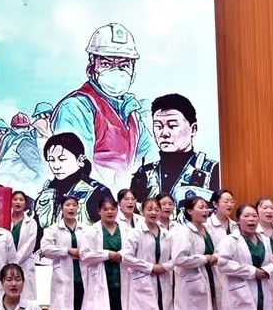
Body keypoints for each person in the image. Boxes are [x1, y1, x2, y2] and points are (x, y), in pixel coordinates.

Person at [50, 22, 157, 187]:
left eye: (124, 65)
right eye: (106, 64)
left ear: (132, 73)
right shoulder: (76, 107)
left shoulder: (131, 113)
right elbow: (78, 169)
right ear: (91, 69)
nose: (117, 72)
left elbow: (150, 158)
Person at [129, 93, 220, 210]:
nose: (164, 133)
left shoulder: (212, 171)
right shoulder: (144, 174)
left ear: (193, 129)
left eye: (172, 126)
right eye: (158, 126)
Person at [123, 197, 174, 310]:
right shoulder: (135, 233)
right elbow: (126, 257)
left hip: (163, 284)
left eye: (156, 209)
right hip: (143, 284)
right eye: (149, 209)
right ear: (142, 211)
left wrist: (165, 267)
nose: (153, 212)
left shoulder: (167, 234)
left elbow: (176, 257)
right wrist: (150, 267)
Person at [40, 196, 94, 310]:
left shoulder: (86, 229)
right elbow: (46, 248)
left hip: (81, 278)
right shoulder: (53, 229)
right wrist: (67, 251)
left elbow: (92, 249)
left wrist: (83, 252)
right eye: (67, 205)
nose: (71, 208)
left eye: (74, 205)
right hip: (62, 278)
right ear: (61, 208)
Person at [83, 198, 129, 310]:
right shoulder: (92, 231)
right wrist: (107, 254)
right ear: (99, 211)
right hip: (100, 282)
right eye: (106, 209)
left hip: (120, 281)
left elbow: (131, 250)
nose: (110, 212)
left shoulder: (125, 230)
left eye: (113, 209)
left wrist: (121, 254)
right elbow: (85, 254)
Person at [32, 133, 112, 230]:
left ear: (80, 160)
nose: (56, 166)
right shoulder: (46, 193)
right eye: (51, 160)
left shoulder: (96, 192)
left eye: (62, 159)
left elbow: (109, 231)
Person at [114, 189, 140, 310]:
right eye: (126, 199)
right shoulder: (115, 221)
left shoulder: (140, 220)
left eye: (132, 199)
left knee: (133, 307)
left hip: (138, 270)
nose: (130, 202)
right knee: (120, 307)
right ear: (119, 202)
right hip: (121, 269)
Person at [10, 191, 39, 302]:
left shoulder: (31, 223)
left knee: (25, 299)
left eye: (21, 200)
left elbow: (29, 245)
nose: (18, 202)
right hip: (5, 263)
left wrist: (14, 262)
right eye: (15, 199)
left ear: (25, 203)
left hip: (24, 264)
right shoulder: (4, 220)